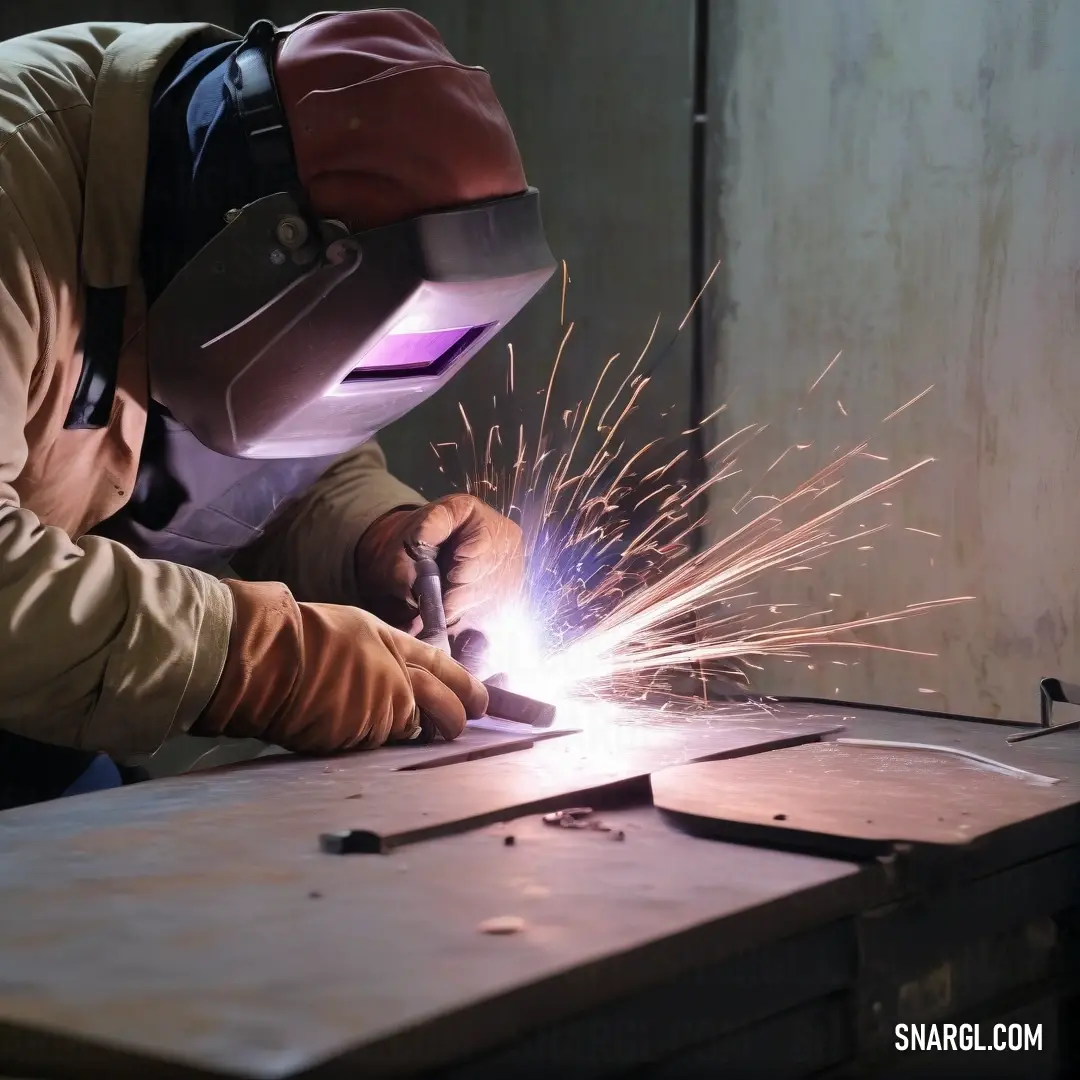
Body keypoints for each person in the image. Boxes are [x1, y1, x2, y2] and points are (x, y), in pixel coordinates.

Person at [0, 10, 555, 808]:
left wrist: (382, 539)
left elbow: (269, 459)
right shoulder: (20, 190)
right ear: (270, 239)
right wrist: (254, 659)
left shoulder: (190, 224)